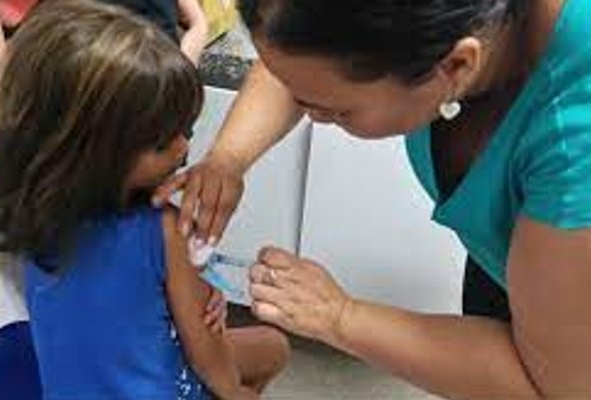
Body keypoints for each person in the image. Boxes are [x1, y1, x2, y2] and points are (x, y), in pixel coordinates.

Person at [153, 0, 591, 398]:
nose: (312, 117)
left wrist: (339, 317)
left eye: (337, 110)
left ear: (456, 66)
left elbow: (554, 386)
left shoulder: (573, 143)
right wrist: (227, 160)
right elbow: (301, 54)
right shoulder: (392, 35)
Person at [0, 1, 288, 399]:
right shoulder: (163, 229)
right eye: (166, 140)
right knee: (271, 353)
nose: (184, 145)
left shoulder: (27, 208)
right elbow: (206, 356)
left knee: (269, 348)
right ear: (99, 152)